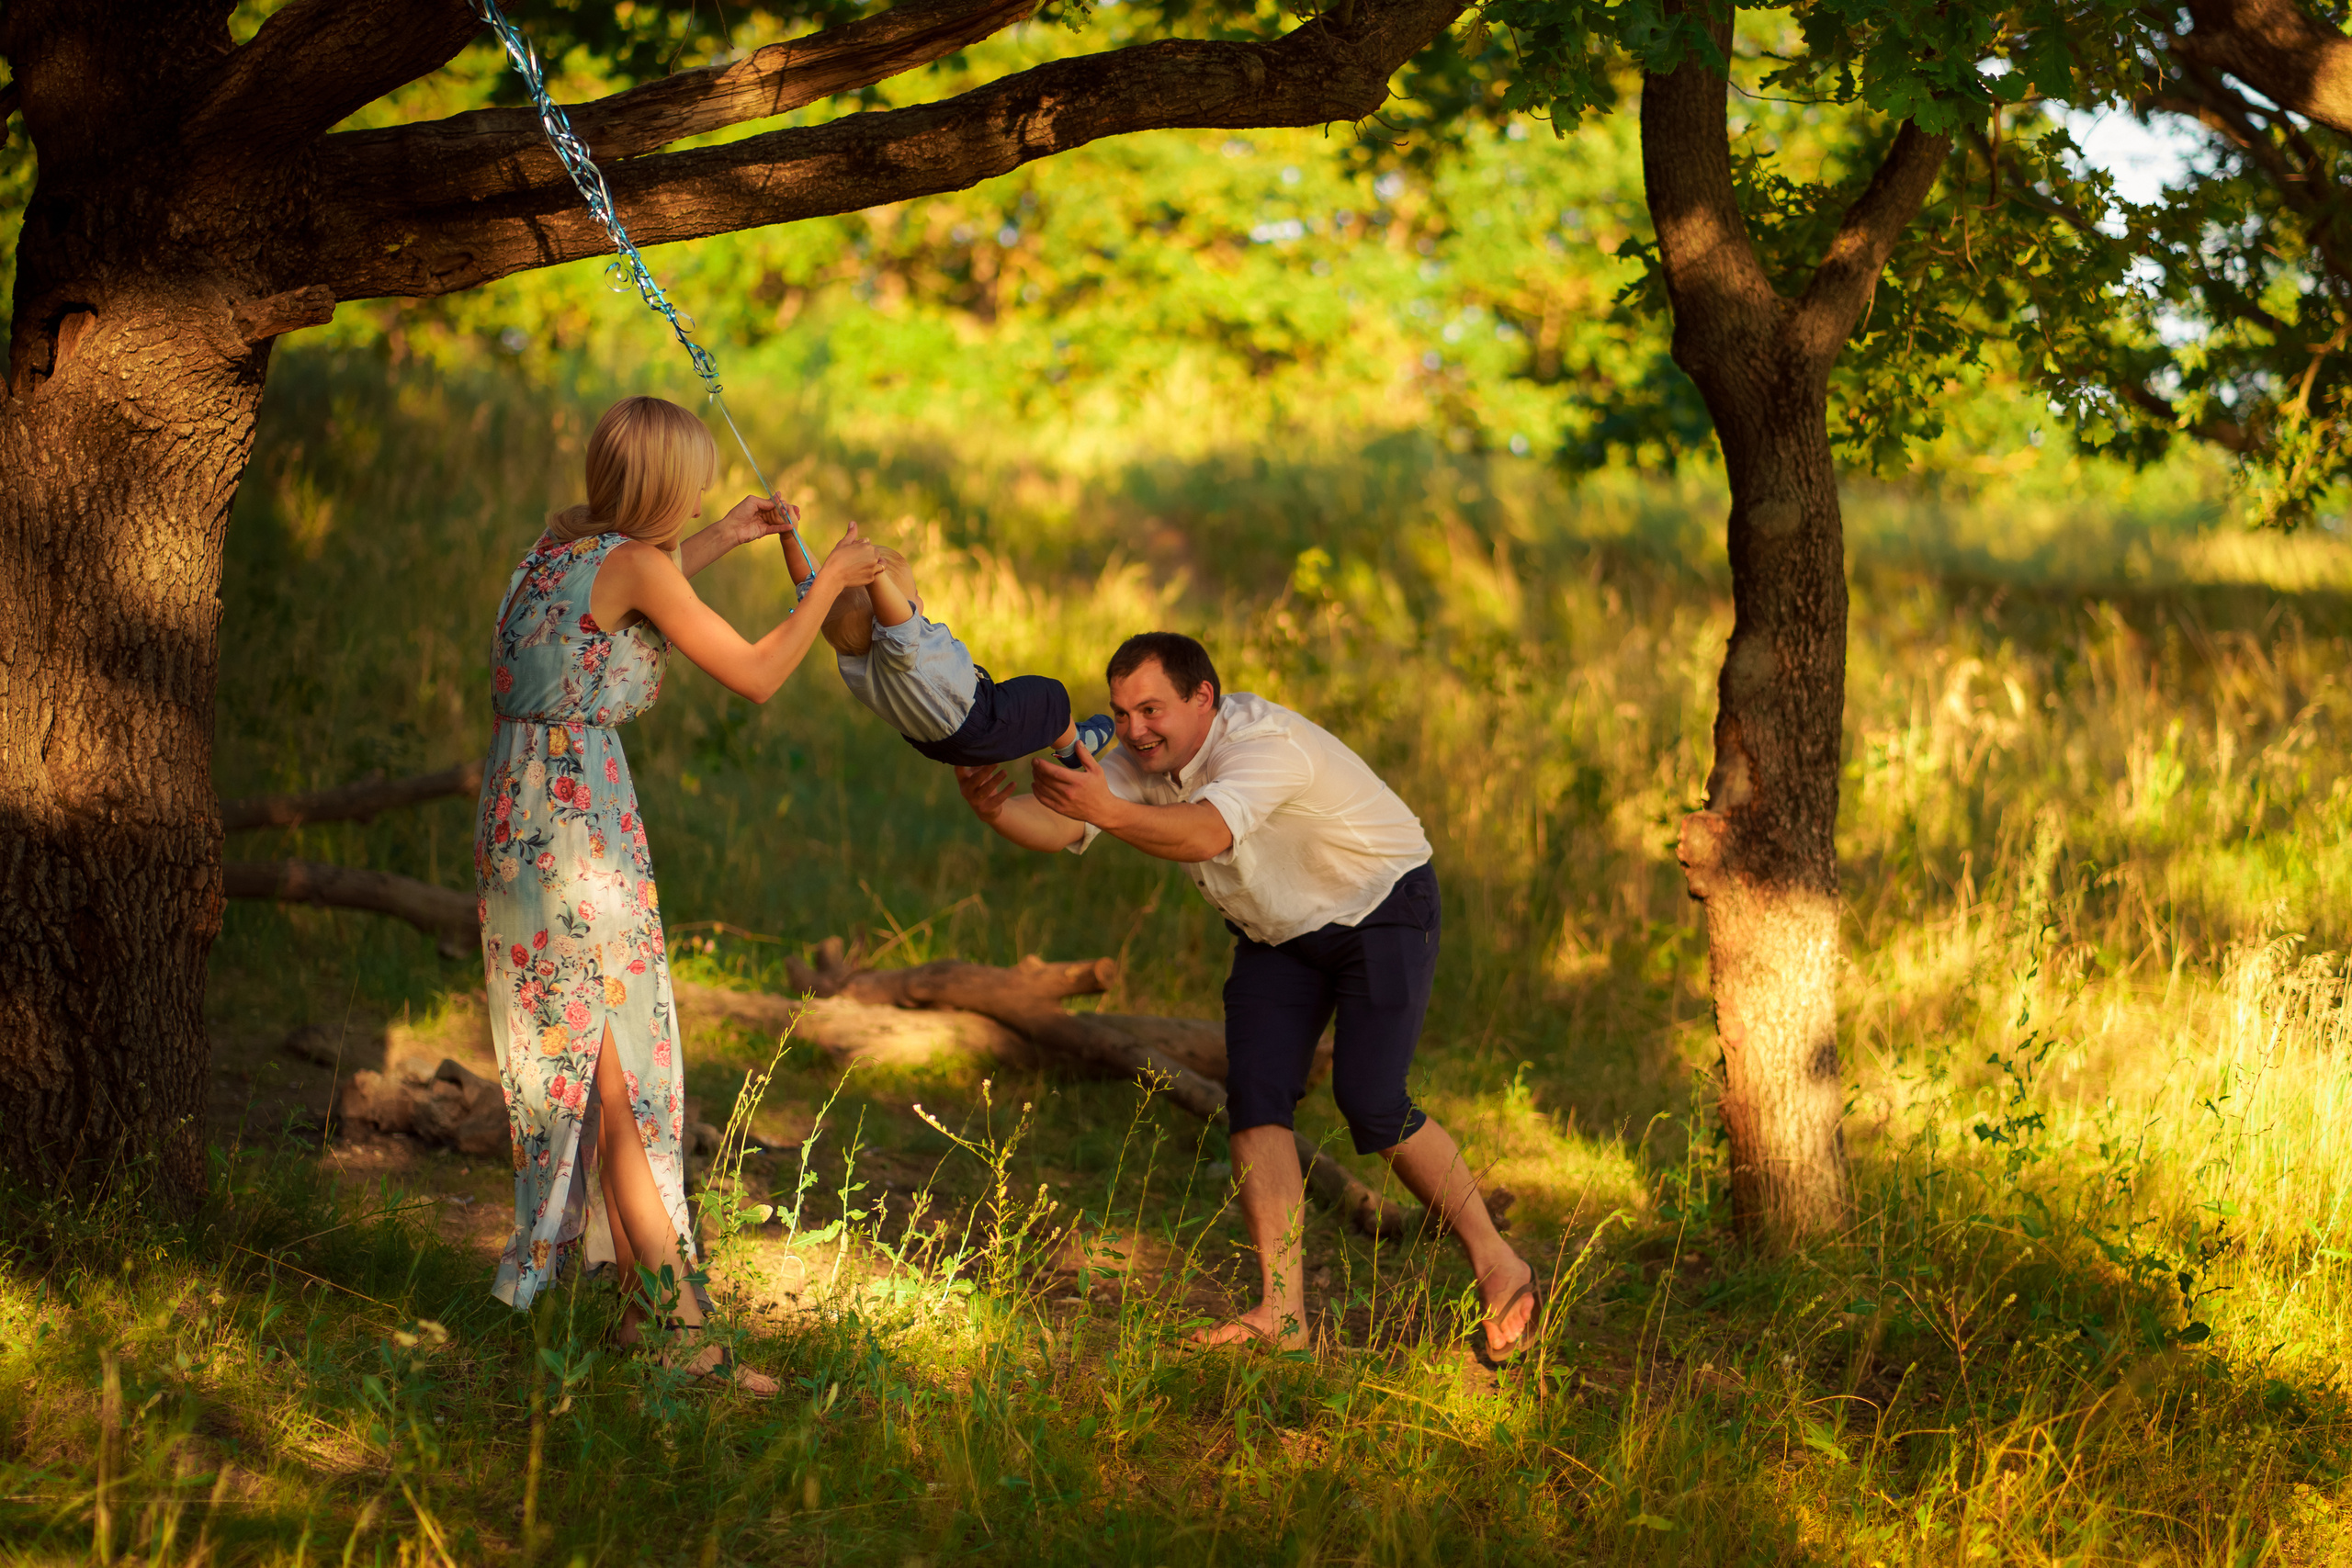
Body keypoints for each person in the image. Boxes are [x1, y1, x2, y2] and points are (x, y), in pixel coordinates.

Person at [953, 632, 1540, 1359]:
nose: (1134, 729)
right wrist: (996, 809)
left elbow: (1203, 832)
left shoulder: (1262, 746)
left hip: (1380, 906)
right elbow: (1070, 820)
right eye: (1121, 711)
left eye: (1151, 709)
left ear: (1204, 697)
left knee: (1371, 1098)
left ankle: (1495, 1258)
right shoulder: (1144, 759)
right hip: (1277, 931)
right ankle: (1282, 1313)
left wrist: (1105, 807)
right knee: (1255, 1097)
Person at [473, 395, 883, 1391]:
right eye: (693, 484)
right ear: (661, 485)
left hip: (524, 816)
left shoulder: (558, 547)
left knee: (602, 1074)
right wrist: (826, 578)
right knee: (621, 1076)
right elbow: (753, 674)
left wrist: (726, 538)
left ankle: (643, 1315)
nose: (704, 492)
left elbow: (617, 601)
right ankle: (680, 1332)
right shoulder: (635, 564)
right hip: (576, 829)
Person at [817, 540, 1114, 768]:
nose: (918, 599)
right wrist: (877, 577)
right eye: (911, 596)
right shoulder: (899, 649)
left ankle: (982, 757)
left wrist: (791, 536)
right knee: (1047, 695)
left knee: (1000, 701)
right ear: (889, 616)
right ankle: (1074, 746)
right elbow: (896, 621)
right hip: (974, 722)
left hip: (932, 739)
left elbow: (814, 590)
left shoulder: (852, 655)